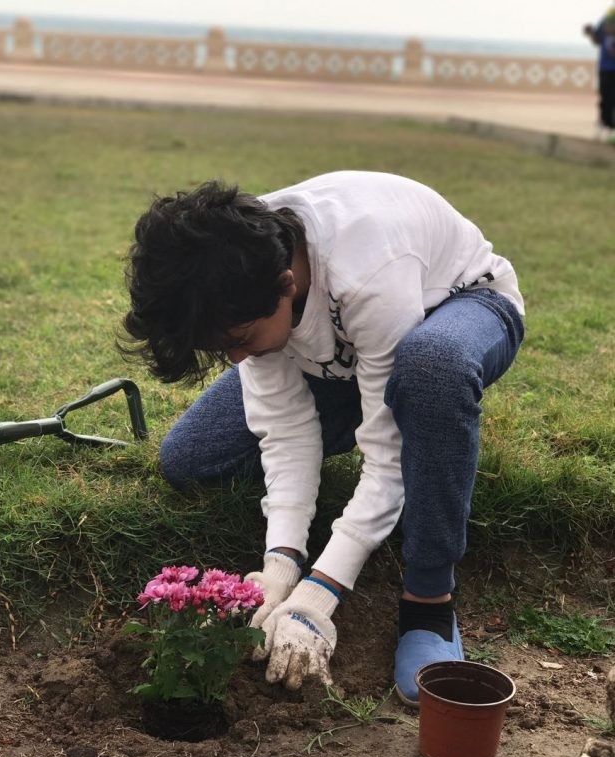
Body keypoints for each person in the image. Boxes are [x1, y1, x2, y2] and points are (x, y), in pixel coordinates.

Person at [121, 171, 524, 708]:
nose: (235, 357)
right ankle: (387, 410)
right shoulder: (234, 270)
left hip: (458, 309)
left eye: (239, 340)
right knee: (192, 458)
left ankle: (429, 599)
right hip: (345, 351)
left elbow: (387, 457)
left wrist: (321, 591)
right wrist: (281, 564)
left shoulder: (367, 269)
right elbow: (285, 429)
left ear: (286, 284)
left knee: (430, 370)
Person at [584, 6, 615, 140]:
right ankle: (605, 125)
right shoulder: (606, 19)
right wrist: (590, 33)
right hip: (605, 68)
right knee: (605, 98)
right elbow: (597, 40)